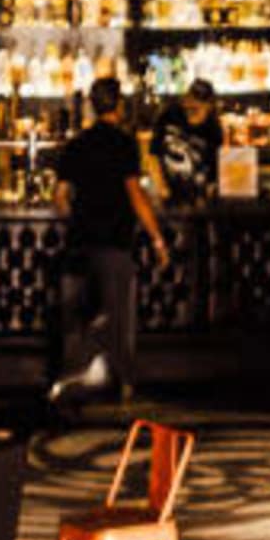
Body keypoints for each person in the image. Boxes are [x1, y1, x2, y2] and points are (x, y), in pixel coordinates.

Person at [50, 77, 169, 408]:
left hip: (80, 242)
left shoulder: (76, 144)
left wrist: (77, 214)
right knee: (118, 316)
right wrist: (157, 238)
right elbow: (135, 193)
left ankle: (72, 380)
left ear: (91, 104)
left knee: (80, 314)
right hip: (115, 242)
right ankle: (124, 385)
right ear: (119, 104)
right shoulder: (124, 143)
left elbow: (59, 197)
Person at [155, 77, 225, 199]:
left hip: (198, 196)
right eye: (190, 100)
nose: (191, 106)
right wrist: (161, 185)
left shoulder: (213, 129)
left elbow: (214, 168)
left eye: (198, 104)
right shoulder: (169, 116)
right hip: (167, 194)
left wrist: (210, 190)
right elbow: (153, 155)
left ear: (209, 106)